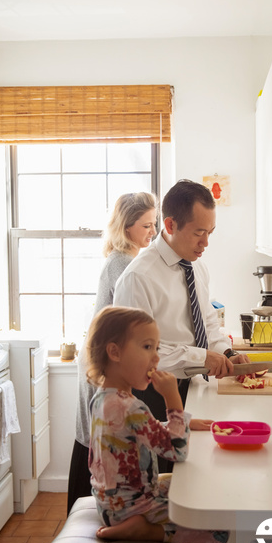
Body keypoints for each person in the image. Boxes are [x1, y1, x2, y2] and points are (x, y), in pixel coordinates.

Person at [87, 305, 229, 543]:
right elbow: (177, 451)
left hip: (108, 503)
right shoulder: (132, 407)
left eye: (156, 347)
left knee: (191, 484)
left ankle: (138, 524)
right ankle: (146, 531)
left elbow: (134, 432)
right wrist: (174, 402)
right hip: (134, 508)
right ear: (115, 352)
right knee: (220, 530)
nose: (156, 358)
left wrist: (179, 423)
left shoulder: (103, 398)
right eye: (146, 347)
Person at [113, 179, 249, 426]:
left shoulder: (197, 267)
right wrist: (201, 358)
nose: (206, 242)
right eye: (199, 232)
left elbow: (207, 323)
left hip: (192, 387)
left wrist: (227, 353)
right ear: (170, 224)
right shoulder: (138, 277)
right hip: (152, 395)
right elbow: (137, 355)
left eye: (210, 232)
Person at [67, 192, 157, 515]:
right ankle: (88, 513)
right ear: (127, 226)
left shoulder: (128, 257)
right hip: (102, 362)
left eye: (154, 222)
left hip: (101, 356)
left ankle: (91, 512)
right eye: (146, 224)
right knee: (94, 442)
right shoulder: (124, 263)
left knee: (93, 440)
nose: (153, 230)